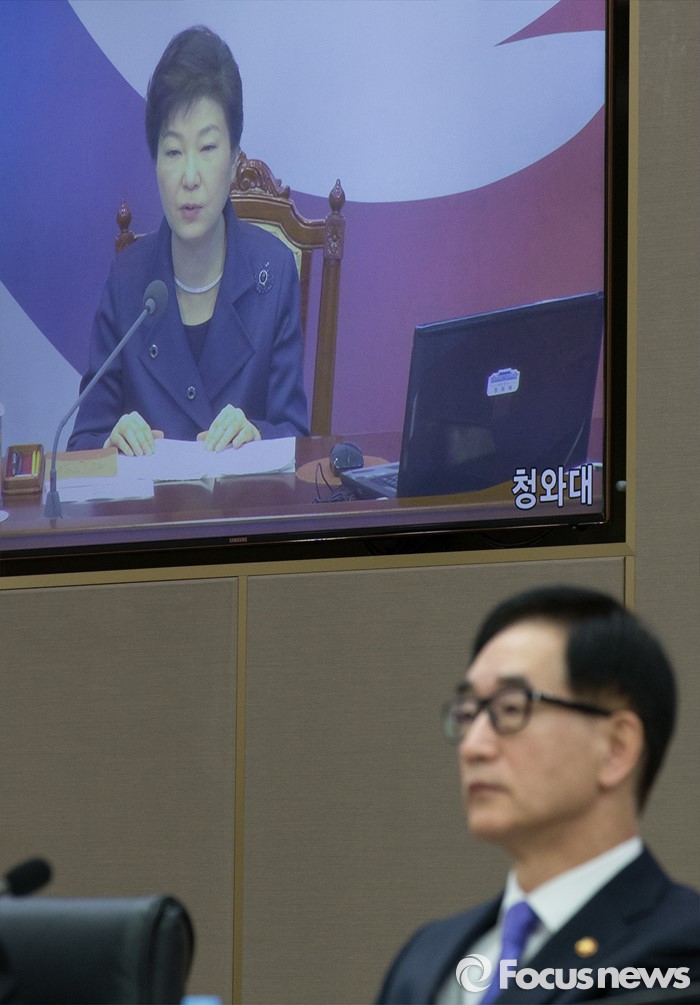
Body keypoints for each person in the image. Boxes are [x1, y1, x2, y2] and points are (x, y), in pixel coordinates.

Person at [377, 586, 700, 1004]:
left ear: (616, 748)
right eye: (468, 713)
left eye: (511, 709)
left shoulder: (681, 949)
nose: (473, 747)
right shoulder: (425, 955)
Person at [68, 26, 309, 455]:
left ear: (234, 160)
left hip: (245, 502)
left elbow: (295, 436)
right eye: (174, 152)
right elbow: (82, 442)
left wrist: (258, 436)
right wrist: (109, 442)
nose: (190, 177)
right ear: (155, 163)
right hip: (150, 502)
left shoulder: (273, 274)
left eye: (208, 148)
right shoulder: (127, 281)